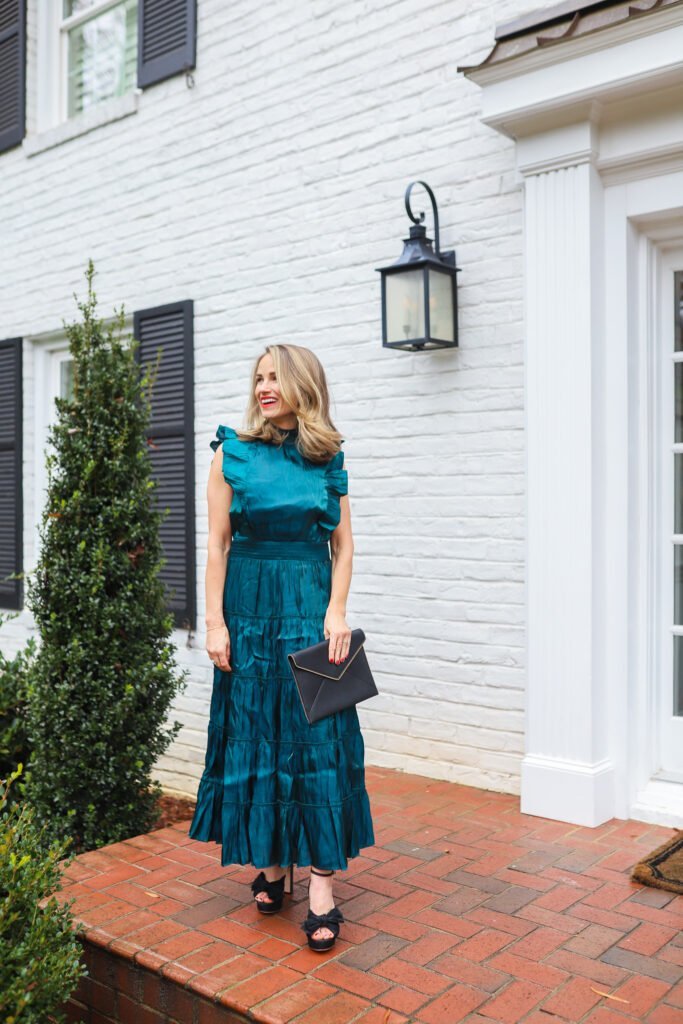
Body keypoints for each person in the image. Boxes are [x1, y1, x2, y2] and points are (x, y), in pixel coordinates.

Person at [189, 343, 375, 952]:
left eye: (276, 377)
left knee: (316, 741)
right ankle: (271, 862)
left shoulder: (328, 456)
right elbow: (216, 547)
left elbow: (343, 547)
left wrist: (336, 611)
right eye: (259, 377)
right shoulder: (230, 454)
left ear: (303, 385)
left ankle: (320, 887)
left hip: (308, 610)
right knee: (257, 736)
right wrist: (215, 623)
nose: (264, 387)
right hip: (247, 610)